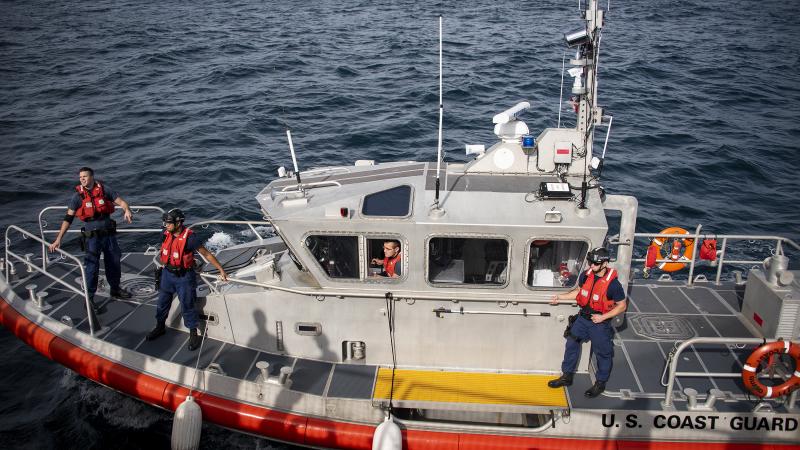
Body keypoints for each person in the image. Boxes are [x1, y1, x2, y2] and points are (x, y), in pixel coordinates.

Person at [48, 167, 133, 312]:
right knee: (92, 267)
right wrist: (58, 239)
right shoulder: (77, 197)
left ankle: (115, 289)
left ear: (92, 177)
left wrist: (127, 210)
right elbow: (68, 218)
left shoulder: (105, 190)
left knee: (114, 262)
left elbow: (122, 202)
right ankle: (90, 299)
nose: (82, 179)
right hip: (92, 238)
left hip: (109, 235)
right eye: (80, 177)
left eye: (85, 176)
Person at [547, 247, 627, 398]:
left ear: (604, 264)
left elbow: (622, 305)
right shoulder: (586, 275)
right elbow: (579, 292)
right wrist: (560, 297)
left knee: (603, 353)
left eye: (595, 264)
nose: (592, 266)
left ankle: (600, 383)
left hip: (599, 323)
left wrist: (603, 318)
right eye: (590, 262)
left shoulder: (613, 285)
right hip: (582, 319)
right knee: (571, 343)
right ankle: (567, 376)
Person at [146, 208, 228, 351]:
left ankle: (193, 333)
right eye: (165, 222)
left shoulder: (190, 239)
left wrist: (221, 270)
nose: (166, 225)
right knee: (162, 303)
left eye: (169, 222)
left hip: (184, 277)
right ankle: (160, 327)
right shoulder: (165, 233)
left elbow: (206, 254)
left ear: (178, 223)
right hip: (167, 274)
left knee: (187, 305)